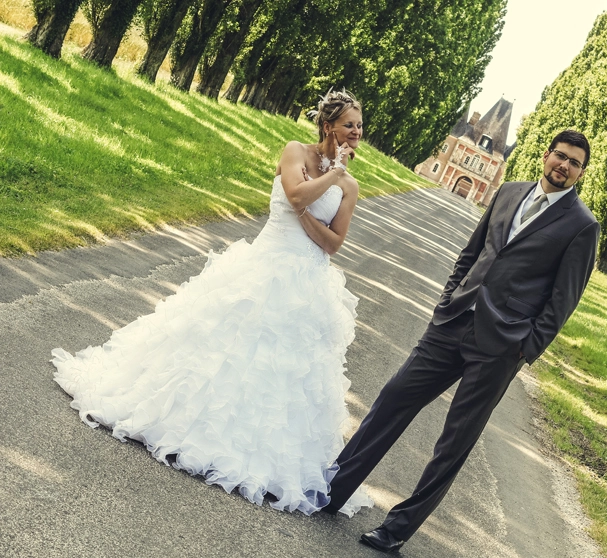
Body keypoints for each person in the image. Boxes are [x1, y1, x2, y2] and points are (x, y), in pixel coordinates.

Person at [51, 89, 373, 517]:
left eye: (360, 126)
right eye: (350, 124)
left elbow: (332, 243)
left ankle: (253, 449)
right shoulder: (295, 151)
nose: (357, 132)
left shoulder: (350, 186)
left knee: (282, 369)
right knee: (222, 344)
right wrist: (329, 178)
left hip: (307, 283)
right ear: (329, 126)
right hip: (264, 264)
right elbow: (296, 196)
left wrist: (315, 206)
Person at [324, 129, 600, 551]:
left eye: (574, 163)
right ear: (546, 155)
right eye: (560, 156)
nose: (564, 165)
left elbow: (563, 301)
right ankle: (332, 491)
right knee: (394, 398)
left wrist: (523, 348)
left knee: (453, 443)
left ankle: (396, 531)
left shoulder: (581, 225)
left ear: (581, 172)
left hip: (501, 346)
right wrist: (447, 301)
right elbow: (472, 254)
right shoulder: (509, 192)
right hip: (453, 321)